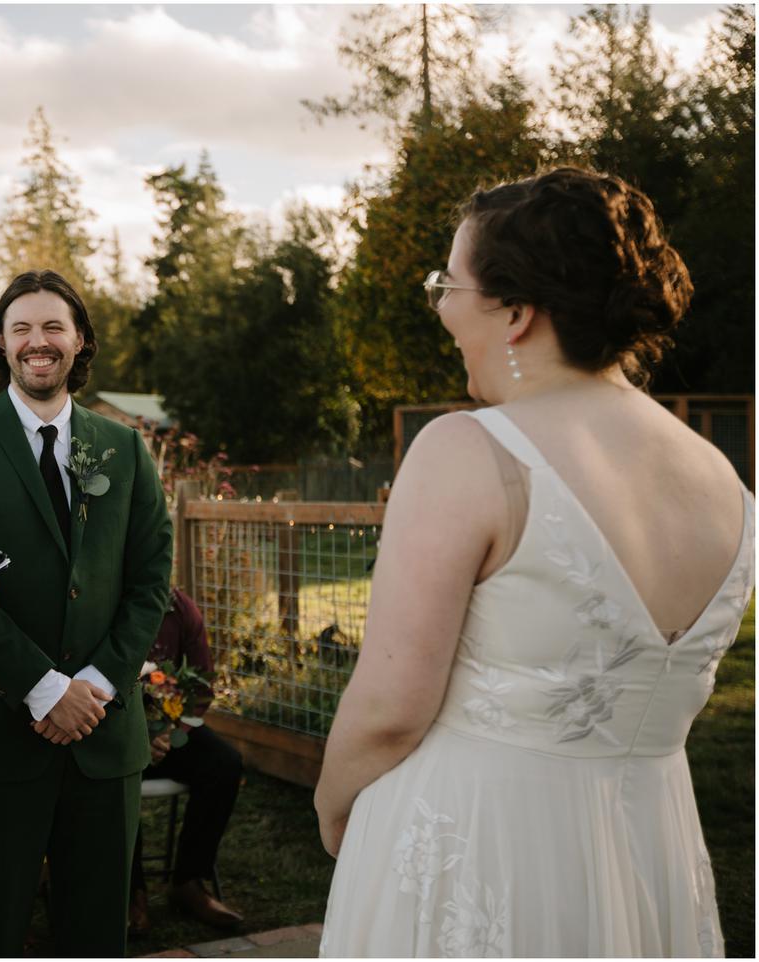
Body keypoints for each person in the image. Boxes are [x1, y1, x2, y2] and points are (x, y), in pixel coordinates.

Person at [315, 168, 754, 957]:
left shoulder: (467, 451)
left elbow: (391, 709)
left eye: (448, 283)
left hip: (482, 849)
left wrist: (334, 804)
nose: (441, 307)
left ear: (516, 312)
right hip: (651, 845)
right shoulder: (722, 478)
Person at [0, 269, 174, 956]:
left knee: (97, 935)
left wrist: (96, 686)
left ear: (78, 340)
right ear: (0, 343)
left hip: (103, 735)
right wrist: (45, 689)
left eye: (54, 326)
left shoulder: (123, 448)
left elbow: (150, 581)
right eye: (21, 327)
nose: (38, 341)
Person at [128, 587, 244, 936]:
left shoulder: (181, 610)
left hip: (169, 730)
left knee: (224, 763)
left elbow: (202, 687)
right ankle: (131, 893)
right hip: (114, 734)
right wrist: (138, 737)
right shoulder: (105, 603)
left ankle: (189, 881)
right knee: (115, 777)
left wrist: (166, 732)